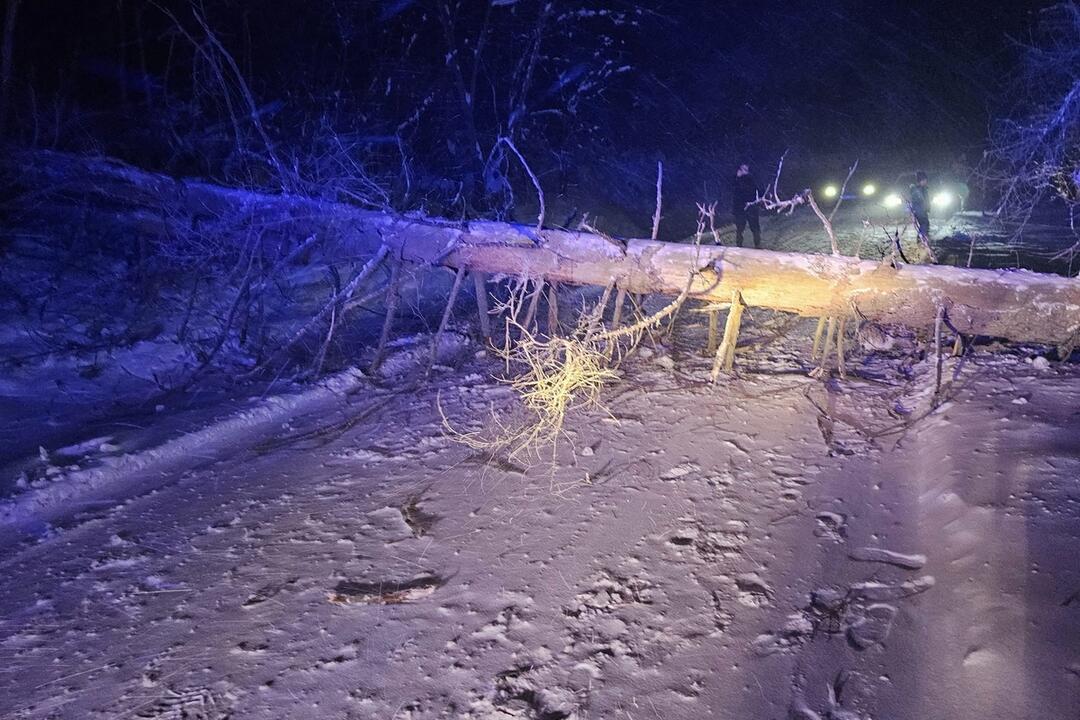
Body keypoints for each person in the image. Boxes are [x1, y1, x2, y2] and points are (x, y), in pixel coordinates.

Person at [732, 163, 762, 249]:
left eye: (745, 169)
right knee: (740, 229)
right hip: (740, 208)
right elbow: (733, 191)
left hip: (751, 208)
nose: (743, 171)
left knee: (755, 228)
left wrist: (758, 202)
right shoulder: (736, 180)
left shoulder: (752, 179)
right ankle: (739, 247)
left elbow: (758, 190)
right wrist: (737, 178)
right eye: (742, 169)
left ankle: (757, 246)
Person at [909, 171, 931, 241]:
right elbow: (918, 201)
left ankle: (923, 237)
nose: (926, 182)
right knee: (924, 224)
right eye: (925, 180)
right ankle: (921, 238)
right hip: (920, 211)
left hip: (922, 210)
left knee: (925, 224)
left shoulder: (923, 189)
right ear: (921, 180)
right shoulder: (917, 190)